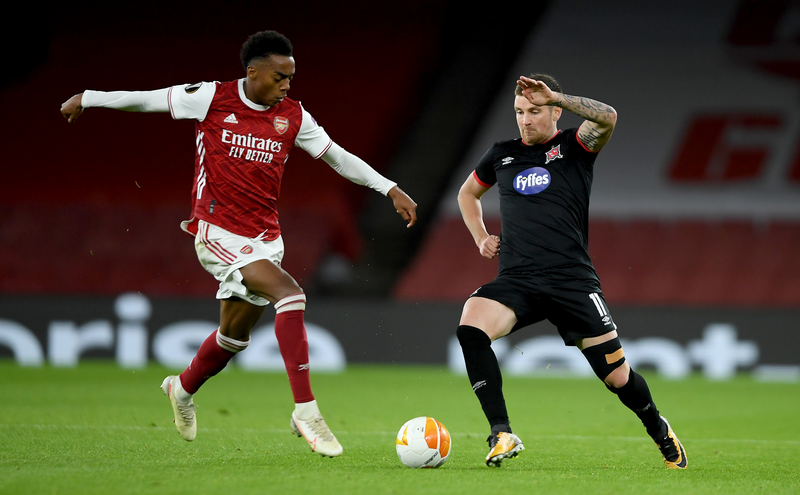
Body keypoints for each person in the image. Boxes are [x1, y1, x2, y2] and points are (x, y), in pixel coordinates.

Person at [60, 30, 418, 458]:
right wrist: (89, 96)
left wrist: (389, 187)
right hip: (217, 230)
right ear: (254, 72)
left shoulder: (294, 116)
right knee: (291, 294)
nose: (287, 85)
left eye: (291, 77)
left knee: (233, 337)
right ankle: (306, 411)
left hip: (266, 237)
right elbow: (147, 98)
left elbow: (338, 156)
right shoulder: (210, 98)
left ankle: (182, 387)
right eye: (280, 77)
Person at [455, 73, 687, 469]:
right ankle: (501, 431)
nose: (525, 120)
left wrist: (557, 94)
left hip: (571, 282)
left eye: (534, 111)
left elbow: (608, 117)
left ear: (555, 111)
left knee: (617, 377)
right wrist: (480, 236)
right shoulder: (502, 155)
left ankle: (659, 429)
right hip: (518, 279)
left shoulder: (574, 147)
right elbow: (468, 193)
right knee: (471, 328)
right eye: (519, 112)